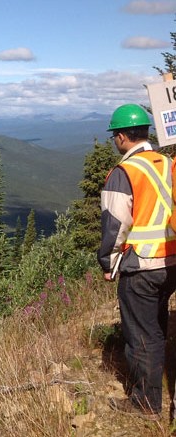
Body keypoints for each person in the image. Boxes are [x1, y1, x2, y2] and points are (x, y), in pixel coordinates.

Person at [99, 103, 176, 420]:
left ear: (120, 137)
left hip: (141, 265)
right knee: (155, 326)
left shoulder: (123, 172)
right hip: (171, 261)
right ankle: (156, 391)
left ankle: (146, 405)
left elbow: (115, 225)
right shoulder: (168, 163)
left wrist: (109, 262)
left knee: (142, 336)